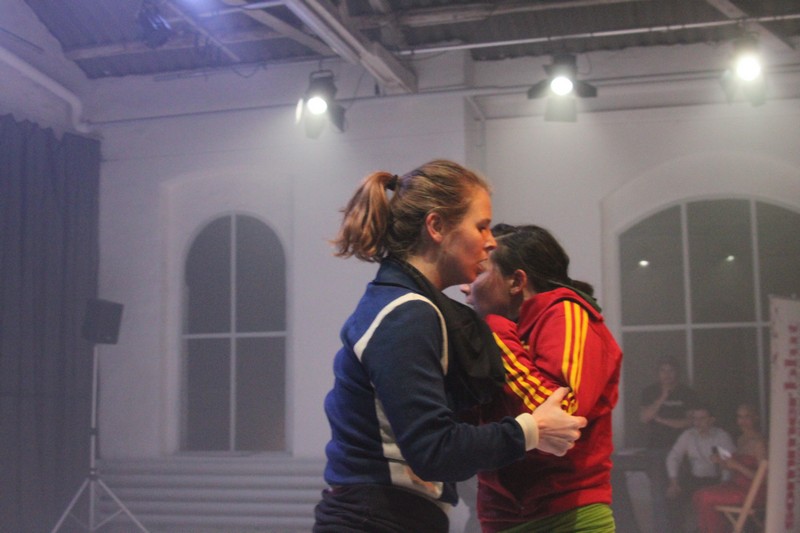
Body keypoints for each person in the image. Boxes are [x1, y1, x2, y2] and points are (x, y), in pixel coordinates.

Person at [313, 160, 587, 533]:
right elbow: (434, 449)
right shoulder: (406, 314)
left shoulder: (405, 307)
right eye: (481, 226)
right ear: (437, 227)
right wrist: (531, 429)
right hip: (374, 519)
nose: (491, 241)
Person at [462, 223, 623, 532]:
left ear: (516, 281)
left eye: (479, 272)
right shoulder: (504, 331)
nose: (466, 287)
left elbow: (561, 416)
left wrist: (494, 332)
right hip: (499, 514)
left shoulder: (567, 314)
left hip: (566, 514)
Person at [639, 357, 698, 533]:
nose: (667, 374)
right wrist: (662, 397)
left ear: (677, 373)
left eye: (670, 370)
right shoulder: (650, 392)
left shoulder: (687, 393)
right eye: (663, 370)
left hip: (681, 449)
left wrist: (662, 420)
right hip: (656, 449)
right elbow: (645, 417)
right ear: (658, 373)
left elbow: (688, 422)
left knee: (680, 492)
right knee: (658, 494)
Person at [692, 403, 767, 533]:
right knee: (698, 495)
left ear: (755, 418)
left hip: (752, 491)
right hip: (736, 485)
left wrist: (738, 466)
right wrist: (722, 462)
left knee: (705, 497)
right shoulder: (741, 439)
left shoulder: (759, 443)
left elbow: (765, 478)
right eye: (740, 417)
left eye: (747, 417)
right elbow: (734, 467)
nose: (742, 421)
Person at [665, 405, 735, 532]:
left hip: (715, 480)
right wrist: (673, 481)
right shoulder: (688, 435)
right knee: (672, 496)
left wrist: (724, 483)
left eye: (702, 418)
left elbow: (730, 463)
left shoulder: (721, 436)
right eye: (695, 419)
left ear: (711, 420)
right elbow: (674, 456)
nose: (697, 422)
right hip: (694, 478)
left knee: (706, 500)